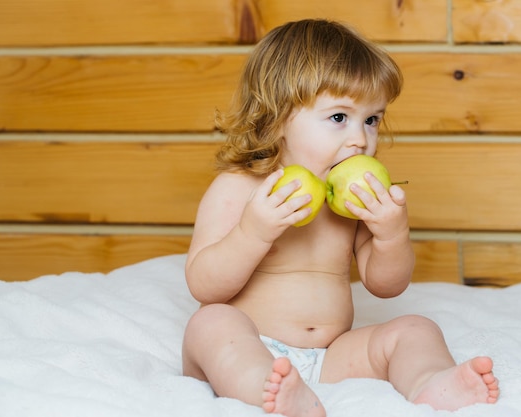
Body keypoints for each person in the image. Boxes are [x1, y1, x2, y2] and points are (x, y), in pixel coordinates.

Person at [182, 19, 499, 417]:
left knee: (415, 328)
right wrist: (253, 231)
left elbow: (386, 285)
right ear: (278, 118)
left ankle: (430, 383)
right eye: (339, 118)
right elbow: (203, 286)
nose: (360, 139)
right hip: (249, 345)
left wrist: (391, 236)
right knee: (211, 324)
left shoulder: (357, 197)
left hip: (331, 356)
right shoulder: (241, 188)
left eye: (371, 120)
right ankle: (266, 389)